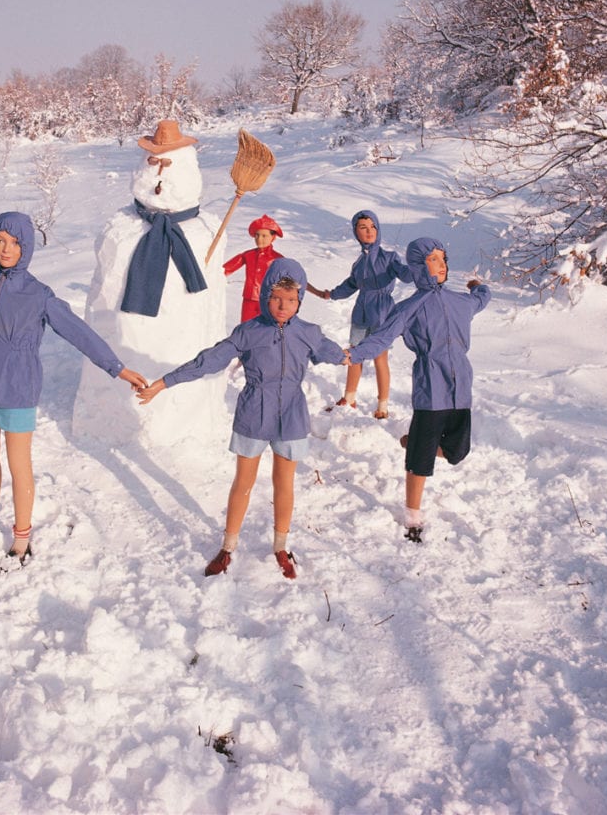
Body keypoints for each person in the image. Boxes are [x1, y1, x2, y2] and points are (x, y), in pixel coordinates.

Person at [0, 211, 148, 562]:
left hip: (18, 386)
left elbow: (79, 333)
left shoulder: (39, 294)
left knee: (18, 463)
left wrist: (117, 368)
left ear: (26, 247)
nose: (5, 249)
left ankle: (22, 536)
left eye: (14, 242)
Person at [138, 258, 345, 580]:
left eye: (291, 300)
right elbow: (209, 360)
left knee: (284, 484)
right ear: (265, 295)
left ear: (300, 300)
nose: (283, 306)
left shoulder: (309, 333)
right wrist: (165, 382)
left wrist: (363, 349)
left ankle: (280, 546)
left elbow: (339, 354)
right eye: (277, 297)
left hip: (291, 416)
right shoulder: (249, 331)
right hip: (253, 413)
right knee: (243, 483)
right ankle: (228, 546)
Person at [343, 236, 490, 542]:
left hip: (461, 385)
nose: (442, 264)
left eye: (444, 258)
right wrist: (354, 354)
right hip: (431, 387)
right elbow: (382, 337)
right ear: (419, 266)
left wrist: (478, 286)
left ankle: (414, 444)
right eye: (434, 259)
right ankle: (413, 517)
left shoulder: (460, 301)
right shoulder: (408, 308)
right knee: (421, 461)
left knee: (457, 452)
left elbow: (482, 299)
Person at [307, 209, 412, 418]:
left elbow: (406, 274)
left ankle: (382, 405)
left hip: (382, 312)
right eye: (363, 227)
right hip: (361, 312)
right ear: (356, 232)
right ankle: (349, 397)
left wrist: (419, 270)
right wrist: (330, 294)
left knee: (380, 358)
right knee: (354, 355)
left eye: (373, 226)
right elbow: (351, 284)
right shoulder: (359, 263)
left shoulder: (390, 258)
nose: (369, 231)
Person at [223, 214, 284, 323]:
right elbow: (224, 270)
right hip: (249, 301)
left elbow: (295, 278)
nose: (259, 239)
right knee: (246, 330)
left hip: (268, 301)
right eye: (257, 235)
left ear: (273, 237)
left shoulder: (278, 259)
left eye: (264, 236)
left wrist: (317, 292)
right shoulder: (248, 255)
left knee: (266, 331)